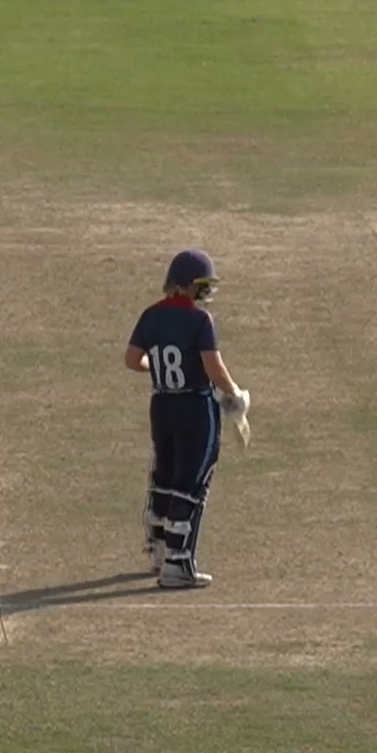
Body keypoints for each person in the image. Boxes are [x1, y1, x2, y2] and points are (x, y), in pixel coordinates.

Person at [124, 249, 249, 588]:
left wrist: (158, 368)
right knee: (191, 483)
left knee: (164, 475)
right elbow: (213, 367)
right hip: (194, 409)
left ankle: (158, 549)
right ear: (190, 285)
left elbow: (132, 360)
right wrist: (235, 394)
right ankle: (178, 565)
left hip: (162, 406)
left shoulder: (150, 315)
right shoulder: (199, 320)